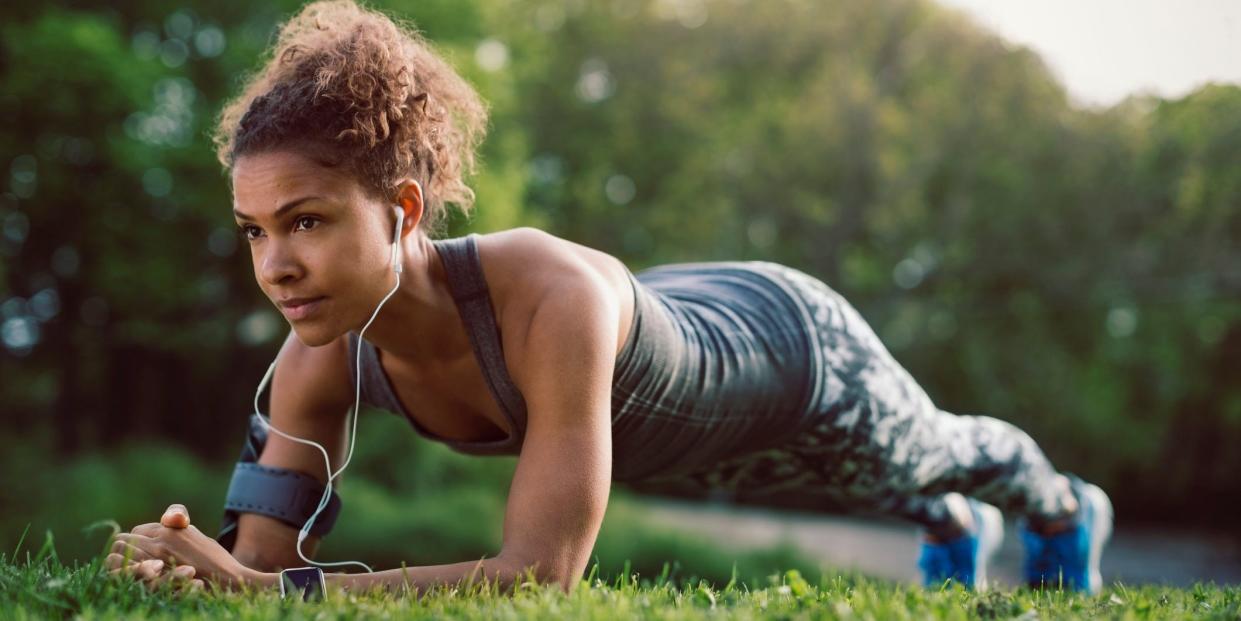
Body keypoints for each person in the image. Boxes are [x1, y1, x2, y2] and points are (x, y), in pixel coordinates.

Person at [106, 0, 1113, 597]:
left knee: (922, 452)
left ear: (403, 210)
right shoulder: (312, 359)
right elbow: (260, 566)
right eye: (255, 231)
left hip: (790, 349)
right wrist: (185, 562)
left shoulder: (547, 298)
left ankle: (1063, 510)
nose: (274, 264)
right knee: (837, 489)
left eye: (308, 221)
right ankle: (946, 530)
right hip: (681, 394)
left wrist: (268, 591)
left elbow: (538, 573)